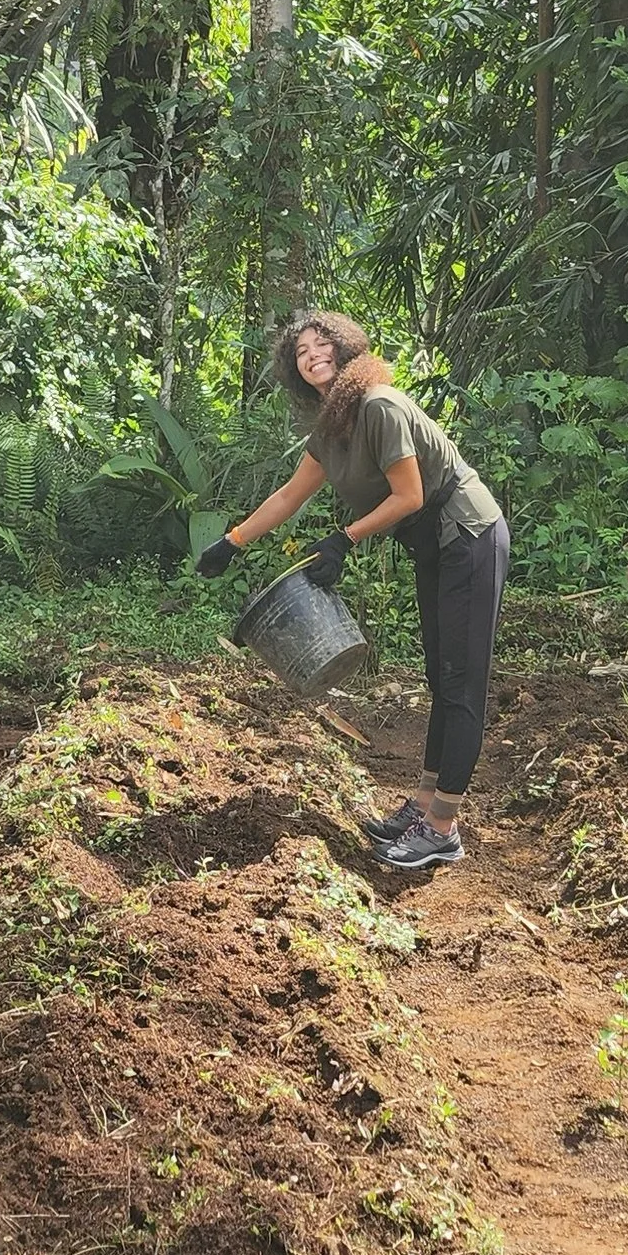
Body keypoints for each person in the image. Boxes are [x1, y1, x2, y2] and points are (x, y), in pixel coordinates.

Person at [199, 313, 508, 876]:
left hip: (468, 533)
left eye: (321, 344)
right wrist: (232, 541)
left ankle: (443, 829)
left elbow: (410, 494)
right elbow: (291, 495)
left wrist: (344, 539)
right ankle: (422, 808)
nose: (311, 354)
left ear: (345, 349)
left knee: (462, 682)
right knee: (442, 678)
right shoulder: (332, 427)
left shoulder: (378, 405)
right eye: (300, 351)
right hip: (436, 546)